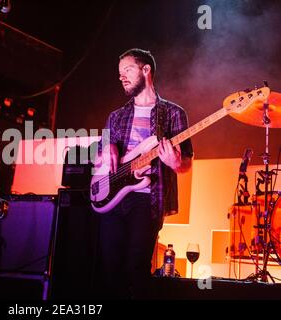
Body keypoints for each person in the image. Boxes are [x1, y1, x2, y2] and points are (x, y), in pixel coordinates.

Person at [95, 48, 193, 299]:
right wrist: (107, 148)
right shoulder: (116, 116)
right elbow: (99, 156)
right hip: (113, 198)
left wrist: (174, 162)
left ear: (146, 70)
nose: (122, 77)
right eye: (120, 74)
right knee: (109, 270)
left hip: (147, 199)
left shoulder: (173, 113)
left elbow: (186, 165)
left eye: (127, 70)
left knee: (136, 268)